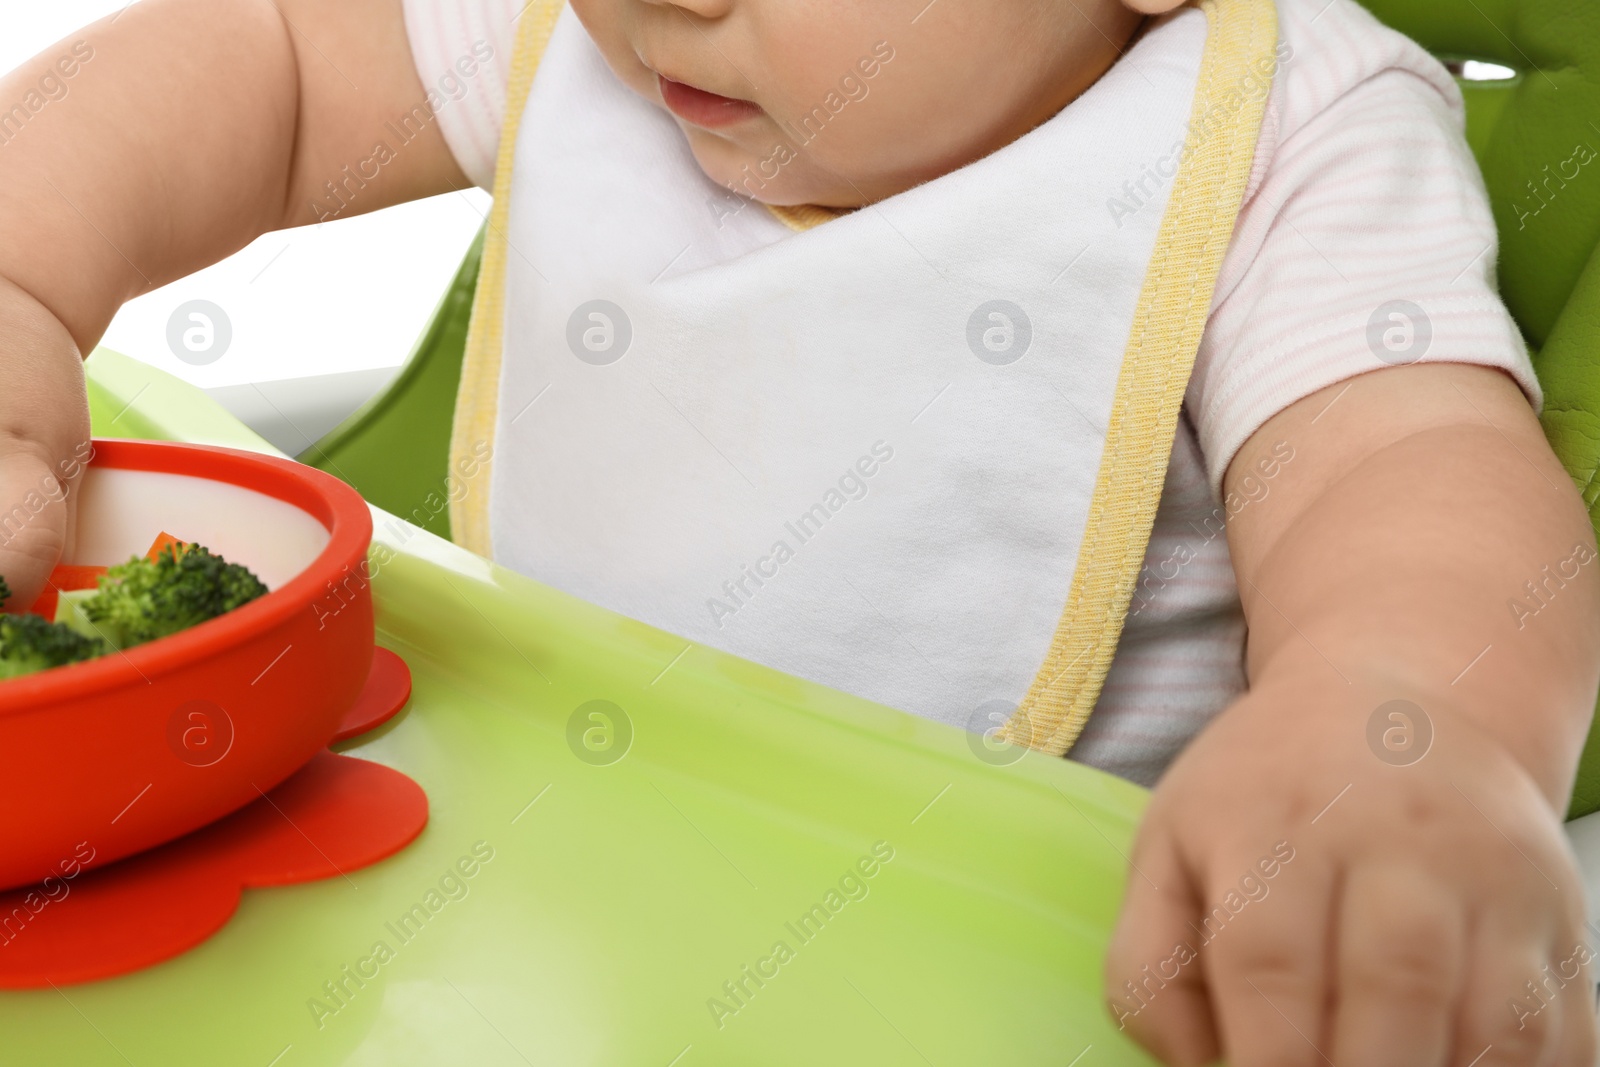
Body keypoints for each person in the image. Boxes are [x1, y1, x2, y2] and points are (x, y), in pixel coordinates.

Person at [0, 0, 1595, 1062]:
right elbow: (262, 63)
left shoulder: (1283, 139)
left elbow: (1408, 466)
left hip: (990, 974)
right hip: (539, 925)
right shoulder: (594, 36)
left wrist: (1408, 724)